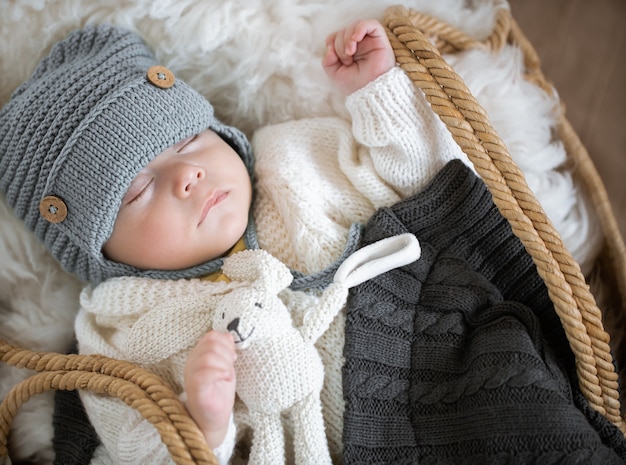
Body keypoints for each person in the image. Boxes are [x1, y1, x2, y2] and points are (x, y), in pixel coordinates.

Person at [0, 18, 469, 465]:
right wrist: (201, 426)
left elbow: (431, 183)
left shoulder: (293, 162)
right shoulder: (117, 331)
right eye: (139, 189)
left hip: (448, 363)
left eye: (189, 141)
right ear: (99, 254)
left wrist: (378, 93)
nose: (188, 174)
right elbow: (129, 447)